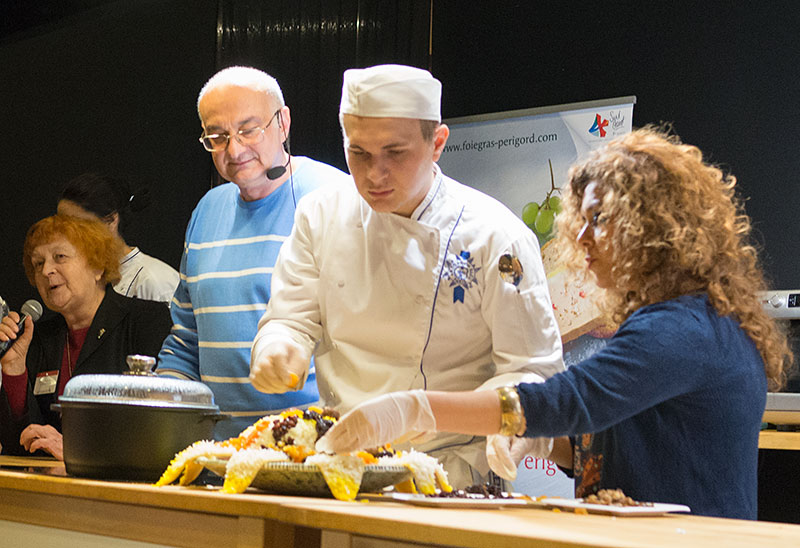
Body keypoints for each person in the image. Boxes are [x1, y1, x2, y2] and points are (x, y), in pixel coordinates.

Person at [314, 127, 792, 519]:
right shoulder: (688, 318)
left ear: (655, 227)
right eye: (579, 220)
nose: (581, 237)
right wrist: (536, 441)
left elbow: (570, 400)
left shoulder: (685, 329)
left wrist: (414, 409)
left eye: (599, 220)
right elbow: (625, 442)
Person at [250, 64, 564, 488]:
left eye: (395, 153)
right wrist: (278, 347)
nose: (374, 174)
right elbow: (291, 317)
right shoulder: (320, 214)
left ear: (437, 143)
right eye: (358, 153)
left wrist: (512, 429)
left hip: (450, 475)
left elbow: (530, 367)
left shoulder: (497, 236)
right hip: (343, 465)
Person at [156, 66, 350, 439]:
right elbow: (186, 341)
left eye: (248, 130)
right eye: (217, 136)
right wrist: (163, 404)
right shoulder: (207, 211)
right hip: (219, 455)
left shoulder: (336, 198)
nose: (235, 149)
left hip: (315, 452)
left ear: (284, 122)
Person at [0, 215, 172, 459]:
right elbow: (20, 444)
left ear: (98, 266)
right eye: (38, 263)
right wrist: (14, 369)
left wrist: (78, 451)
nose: (47, 270)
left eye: (60, 257)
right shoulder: (39, 338)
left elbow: (155, 429)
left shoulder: (145, 321)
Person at [57, 172, 180, 303]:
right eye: (60, 226)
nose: (66, 235)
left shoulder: (153, 280)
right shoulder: (78, 279)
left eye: (76, 226)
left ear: (110, 220)